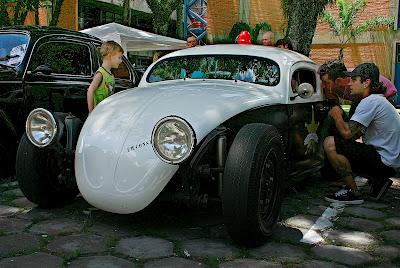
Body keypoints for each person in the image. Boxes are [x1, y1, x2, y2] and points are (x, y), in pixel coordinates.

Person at [323, 63, 400, 204]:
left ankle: (352, 192)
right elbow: (355, 135)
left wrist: (336, 115)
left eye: (354, 80)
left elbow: (347, 133)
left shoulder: (370, 102)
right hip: (390, 162)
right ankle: (378, 181)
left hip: (384, 162)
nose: (349, 84)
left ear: (366, 83)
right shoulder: (376, 100)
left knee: (330, 143)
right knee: (346, 145)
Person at [87, 41, 123, 113]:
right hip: (98, 114)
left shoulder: (110, 75)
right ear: (110, 56)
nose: (121, 61)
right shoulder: (100, 74)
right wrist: (91, 112)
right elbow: (90, 91)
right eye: (119, 57)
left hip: (105, 113)